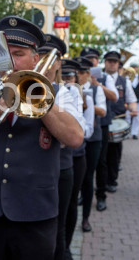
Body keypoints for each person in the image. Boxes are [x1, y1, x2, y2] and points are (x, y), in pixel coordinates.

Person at [0, 16, 84, 259]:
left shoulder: (61, 93)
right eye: (4, 53)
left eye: (19, 54)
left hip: (36, 211)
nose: (10, 61)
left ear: (36, 59)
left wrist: (38, 98)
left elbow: (75, 137)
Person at [38, 36, 85, 260]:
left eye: (51, 57)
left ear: (58, 63)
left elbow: (76, 136)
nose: (45, 62)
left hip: (61, 168)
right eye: (41, 55)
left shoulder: (69, 92)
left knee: (58, 227)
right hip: (31, 172)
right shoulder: (15, 84)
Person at [62, 58, 95, 260]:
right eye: (63, 75)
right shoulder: (54, 92)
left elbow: (88, 131)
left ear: (76, 77)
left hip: (76, 156)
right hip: (57, 158)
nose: (66, 80)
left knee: (71, 203)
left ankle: (66, 245)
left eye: (69, 76)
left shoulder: (84, 97)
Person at [79, 47, 118, 212]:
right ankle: (83, 193)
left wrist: (98, 85)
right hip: (81, 124)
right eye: (89, 58)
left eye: (94, 58)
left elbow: (114, 97)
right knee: (81, 162)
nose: (92, 61)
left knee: (100, 162)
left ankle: (101, 195)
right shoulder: (77, 75)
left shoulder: (104, 77)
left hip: (100, 125)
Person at [73, 56, 107, 234]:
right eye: (77, 72)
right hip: (72, 141)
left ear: (88, 74)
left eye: (83, 72)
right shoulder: (68, 88)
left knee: (88, 178)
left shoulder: (95, 89)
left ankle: (85, 218)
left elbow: (103, 110)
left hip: (92, 140)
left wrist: (89, 105)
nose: (80, 75)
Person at [103, 51, 137, 194]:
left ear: (118, 64)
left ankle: (112, 181)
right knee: (100, 157)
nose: (112, 63)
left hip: (118, 121)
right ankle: (101, 183)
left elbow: (131, 100)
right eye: (109, 61)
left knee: (114, 155)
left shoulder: (125, 82)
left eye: (114, 61)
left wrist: (133, 109)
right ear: (104, 62)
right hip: (101, 123)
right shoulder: (97, 79)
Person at [128, 63, 139, 139]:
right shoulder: (127, 77)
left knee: (136, 117)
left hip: (137, 99)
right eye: (132, 67)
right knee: (127, 116)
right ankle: (127, 132)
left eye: (135, 67)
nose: (134, 69)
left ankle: (135, 133)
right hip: (128, 100)